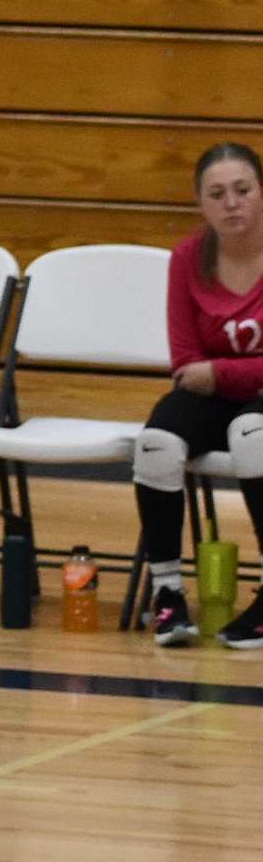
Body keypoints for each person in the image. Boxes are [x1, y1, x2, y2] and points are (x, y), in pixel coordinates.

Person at [134, 141, 263, 648]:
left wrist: (224, 373)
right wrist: (228, 374)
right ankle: (167, 594)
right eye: (218, 193)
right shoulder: (188, 258)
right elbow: (186, 365)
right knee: (157, 442)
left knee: (253, 433)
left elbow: (208, 371)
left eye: (243, 190)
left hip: (246, 403)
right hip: (211, 392)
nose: (232, 202)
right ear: (201, 205)